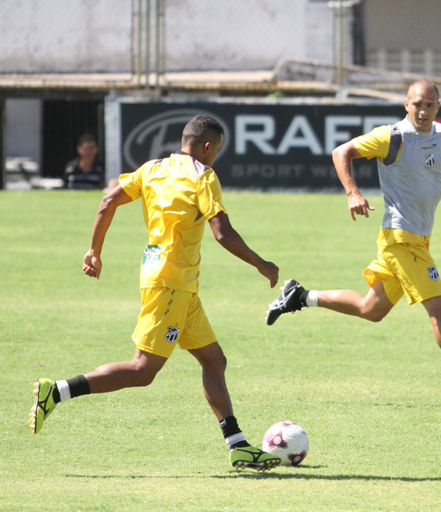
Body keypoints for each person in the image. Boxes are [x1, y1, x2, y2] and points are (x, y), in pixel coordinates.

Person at [31, 115, 283, 471]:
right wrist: (261, 263)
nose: (216, 157)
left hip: (174, 284)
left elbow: (107, 202)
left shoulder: (152, 169)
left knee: (214, 361)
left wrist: (94, 251)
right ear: (208, 146)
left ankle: (238, 445)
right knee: (142, 370)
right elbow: (222, 232)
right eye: (217, 150)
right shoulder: (204, 176)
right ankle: (56, 391)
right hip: (172, 285)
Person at [265, 80, 441, 406]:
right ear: (406, 104)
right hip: (401, 239)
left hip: (419, 240)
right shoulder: (392, 137)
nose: (423, 111)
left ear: (438, 106)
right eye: (417, 104)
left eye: (430, 105)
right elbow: (341, 152)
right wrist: (353, 192)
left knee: (372, 309)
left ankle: (299, 296)